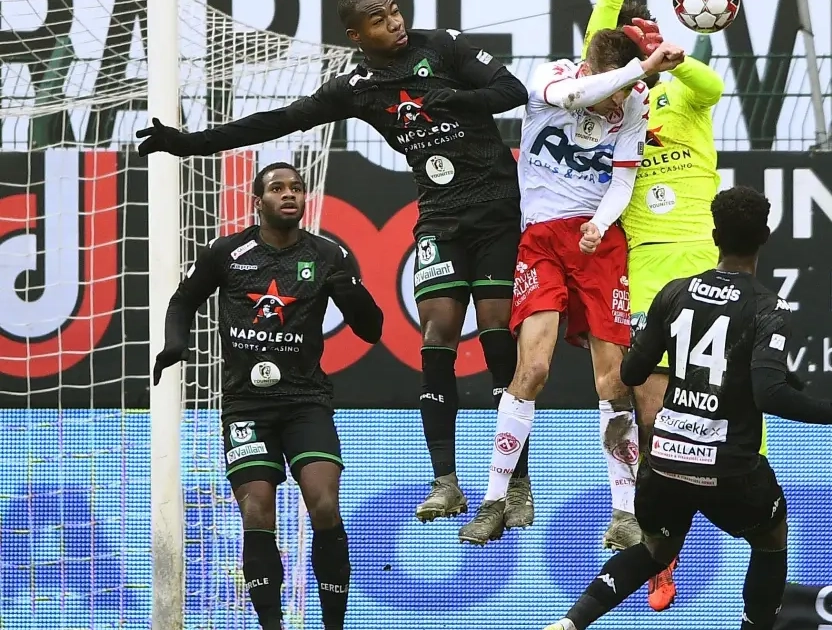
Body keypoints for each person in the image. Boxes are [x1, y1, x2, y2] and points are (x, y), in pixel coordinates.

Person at [136, 0, 534, 527]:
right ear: (356, 34)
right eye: (378, 19)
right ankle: (446, 482)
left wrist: (456, 98)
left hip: (496, 210)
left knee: (495, 333)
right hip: (440, 217)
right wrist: (188, 143)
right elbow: (278, 120)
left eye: (394, 10)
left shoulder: (442, 46)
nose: (394, 22)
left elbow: (512, 90)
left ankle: (516, 483)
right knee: (436, 334)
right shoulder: (357, 87)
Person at [541, 186, 832, 630]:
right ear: (765, 237)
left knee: (656, 550)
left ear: (715, 236)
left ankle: (570, 623)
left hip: (666, 461)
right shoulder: (768, 307)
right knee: (771, 540)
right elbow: (769, 395)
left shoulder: (675, 293)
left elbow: (633, 372)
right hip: (729, 468)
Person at [455, 30, 684, 546]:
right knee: (532, 369)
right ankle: (494, 499)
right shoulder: (552, 77)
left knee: (612, 379)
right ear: (591, 70)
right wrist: (642, 69)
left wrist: (600, 223)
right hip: (541, 240)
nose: (619, 104)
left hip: (597, 244)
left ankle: (624, 512)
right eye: (614, 91)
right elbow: (578, 96)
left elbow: (622, 178)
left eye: (626, 95)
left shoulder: (633, 99)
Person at [151, 163, 384, 630]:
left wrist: (353, 294)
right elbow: (183, 300)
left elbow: (371, 330)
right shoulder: (227, 252)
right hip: (247, 405)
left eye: (296, 187)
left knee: (324, 504)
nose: (289, 194)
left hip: (306, 401)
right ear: (258, 202)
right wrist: (175, 342)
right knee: (257, 509)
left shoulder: (328, 255)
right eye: (277, 188)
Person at [583, 1, 730, 610]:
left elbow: (712, 85)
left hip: (702, 259)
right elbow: (597, 42)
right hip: (642, 266)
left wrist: (672, 60)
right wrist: (629, 52)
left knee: (723, 403)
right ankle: (659, 547)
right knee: (653, 419)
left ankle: (745, 489)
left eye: (647, 32)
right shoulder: (613, 97)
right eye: (631, 35)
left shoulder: (684, 88)